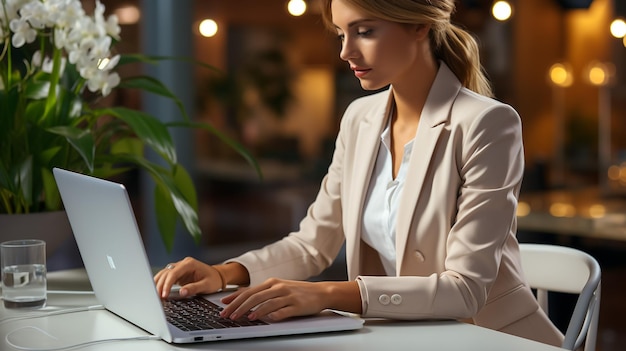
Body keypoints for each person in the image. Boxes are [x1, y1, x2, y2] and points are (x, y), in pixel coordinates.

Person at [155, 0, 564, 347]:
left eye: (364, 31)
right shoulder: (359, 118)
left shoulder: (488, 124)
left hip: (490, 339)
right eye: (340, 34)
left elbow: (465, 290)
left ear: (420, 24)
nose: (345, 51)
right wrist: (225, 273)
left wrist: (327, 295)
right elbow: (312, 242)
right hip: (409, 336)